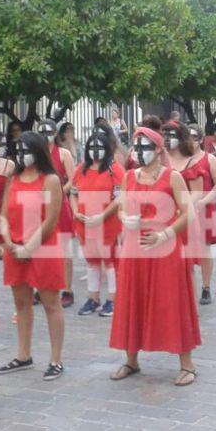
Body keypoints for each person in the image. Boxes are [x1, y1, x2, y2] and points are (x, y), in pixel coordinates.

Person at [109, 124, 200, 386]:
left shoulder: (172, 177)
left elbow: (188, 213)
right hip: (135, 248)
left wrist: (165, 234)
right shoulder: (129, 176)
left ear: (159, 149)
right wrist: (125, 218)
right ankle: (131, 360)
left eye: (145, 147)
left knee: (172, 301)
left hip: (165, 248)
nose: (140, 152)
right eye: (136, 147)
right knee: (132, 298)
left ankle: (187, 364)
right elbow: (121, 208)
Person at [0, 132, 66, 381]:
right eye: (18, 151)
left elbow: (50, 220)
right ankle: (23, 355)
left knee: (51, 303)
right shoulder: (13, 179)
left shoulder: (50, 180)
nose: (21, 155)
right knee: (21, 303)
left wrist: (29, 247)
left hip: (43, 249)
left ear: (38, 151)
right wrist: (9, 242)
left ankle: (56, 359)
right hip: (15, 249)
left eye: (26, 151)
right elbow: (3, 215)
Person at [71, 130, 125, 317]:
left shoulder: (114, 170)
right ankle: (93, 298)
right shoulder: (81, 169)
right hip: (84, 225)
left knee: (111, 262)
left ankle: (113, 299)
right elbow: (73, 193)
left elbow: (120, 198)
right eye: (92, 147)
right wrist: (75, 211)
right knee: (91, 262)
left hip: (108, 225)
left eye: (99, 147)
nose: (95, 151)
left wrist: (102, 216)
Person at [38, 119, 77, 309]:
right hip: (40, 205)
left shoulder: (63, 153)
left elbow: (73, 179)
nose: (45, 136)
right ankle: (43, 287)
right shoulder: (36, 154)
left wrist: (59, 192)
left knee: (65, 250)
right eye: (42, 133)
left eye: (48, 132)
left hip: (60, 204)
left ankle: (67, 290)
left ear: (55, 133)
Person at [183, 124, 216, 304]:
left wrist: (205, 201)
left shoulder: (209, 159)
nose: (190, 141)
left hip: (203, 208)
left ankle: (206, 287)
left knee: (204, 248)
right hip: (185, 209)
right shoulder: (181, 158)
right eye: (187, 137)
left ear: (200, 139)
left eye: (193, 137)